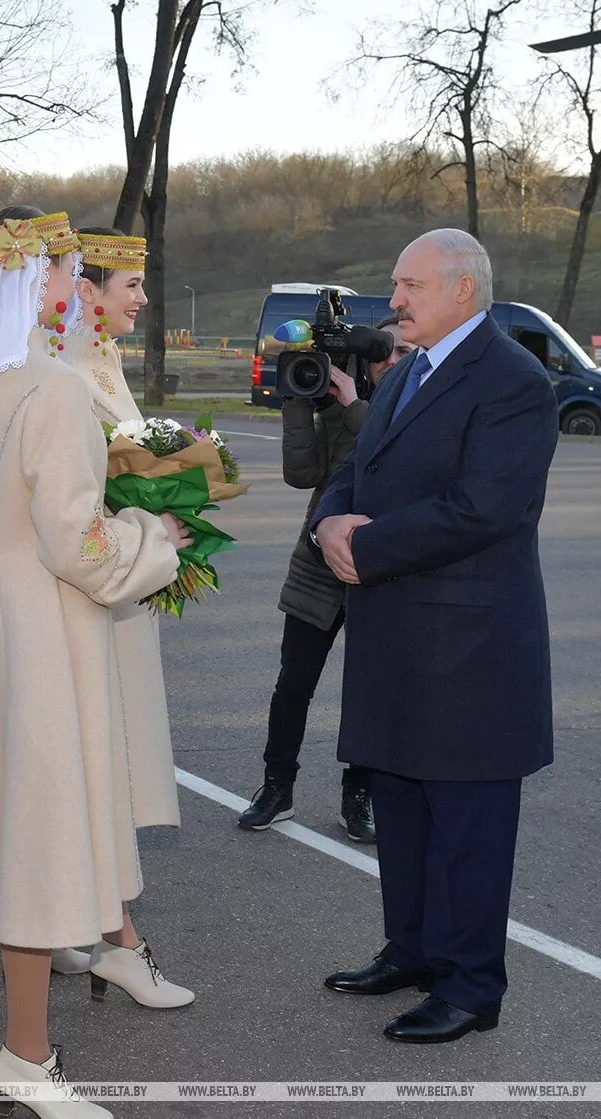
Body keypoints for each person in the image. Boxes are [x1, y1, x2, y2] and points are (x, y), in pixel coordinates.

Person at [0, 206, 192, 1117]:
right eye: (61, 270)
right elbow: (77, 543)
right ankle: (28, 1056)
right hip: (37, 634)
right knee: (34, 847)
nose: (68, 284)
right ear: (35, 280)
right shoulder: (49, 388)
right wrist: (155, 538)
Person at [312, 229, 558, 1044]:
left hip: (470, 652)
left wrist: (365, 545)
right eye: (395, 282)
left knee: (470, 827)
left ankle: (471, 984)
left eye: (410, 284)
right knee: (403, 807)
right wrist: (328, 524)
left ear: (463, 288)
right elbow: (357, 468)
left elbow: (487, 508)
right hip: (396, 638)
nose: (397, 299)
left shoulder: (515, 381)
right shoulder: (406, 369)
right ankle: (412, 950)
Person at [51, 228, 193, 1009]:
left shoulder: (103, 361)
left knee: (104, 763)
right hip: (96, 592)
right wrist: (162, 510)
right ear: (91, 292)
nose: (142, 298)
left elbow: (136, 454)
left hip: (127, 590)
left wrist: (195, 474)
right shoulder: (69, 370)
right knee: (100, 765)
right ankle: (118, 939)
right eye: (130, 285)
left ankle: (70, 926)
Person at [238, 320, 415, 841]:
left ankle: (358, 795)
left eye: (403, 350)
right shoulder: (343, 405)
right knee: (293, 684)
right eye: (384, 350)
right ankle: (276, 787)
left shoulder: (419, 407)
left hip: (382, 569)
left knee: (372, 691)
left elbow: (396, 461)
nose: (392, 359)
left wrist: (355, 402)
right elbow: (302, 475)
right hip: (320, 564)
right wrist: (297, 398)